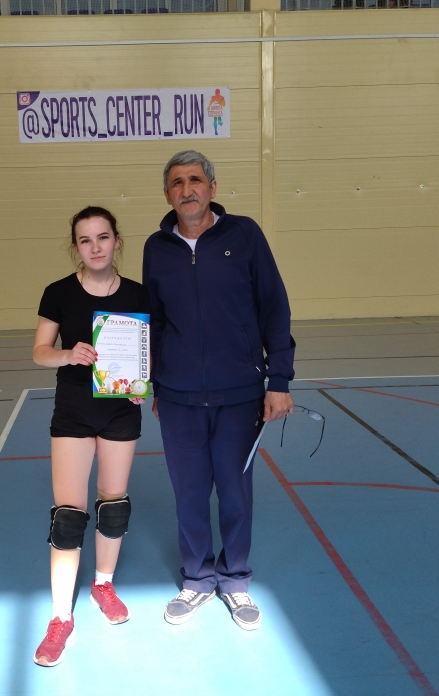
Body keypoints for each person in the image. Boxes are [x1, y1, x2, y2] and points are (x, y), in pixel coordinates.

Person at [142, 151, 296, 631]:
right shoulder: (156, 248)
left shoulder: (244, 234)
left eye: (195, 179)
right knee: (188, 493)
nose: (186, 189)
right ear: (167, 194)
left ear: (212, 186)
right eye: (176, 182)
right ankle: (196, 578)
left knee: (235, 493)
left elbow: (274, 307)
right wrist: (153, 383)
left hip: (240, 394)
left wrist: (279, 380)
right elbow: (154, 322)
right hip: (179, 396)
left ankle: (234, 580)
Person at [31, 206, 149, 666]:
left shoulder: (140, 294)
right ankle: (61, 616)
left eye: (103, 237)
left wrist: (141, 383)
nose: (95, 246)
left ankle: (103, 584)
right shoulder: (58, 292)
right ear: (75, 246)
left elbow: (148, 352)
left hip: (120, 411)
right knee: (68, 515)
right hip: (74, 412)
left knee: (114, 505)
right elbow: (39, 352)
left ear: (116, 240)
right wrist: (67, 354)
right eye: (85, 240)